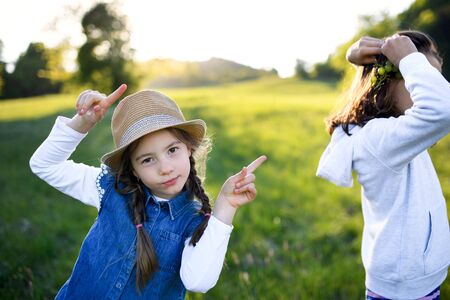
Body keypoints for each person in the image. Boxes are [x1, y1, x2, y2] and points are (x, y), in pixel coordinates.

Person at [29, 85, 267, 299]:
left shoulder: (193, 220)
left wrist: (225, 206)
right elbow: (45, 165)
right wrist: (82, 123)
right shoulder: (112, 189)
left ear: (189, 149)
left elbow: (198, 282)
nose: (165, 168)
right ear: (132, 168)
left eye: (172, 150)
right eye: (147, 160)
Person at [316, 31, 450, 299]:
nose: (427, 86)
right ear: (386, 84)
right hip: (402, 290)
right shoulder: (380, 140)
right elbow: (443, 109)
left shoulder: (390, 133)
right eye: (417, 77)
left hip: (412, 282)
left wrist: (355, 59)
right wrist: (408, 60)